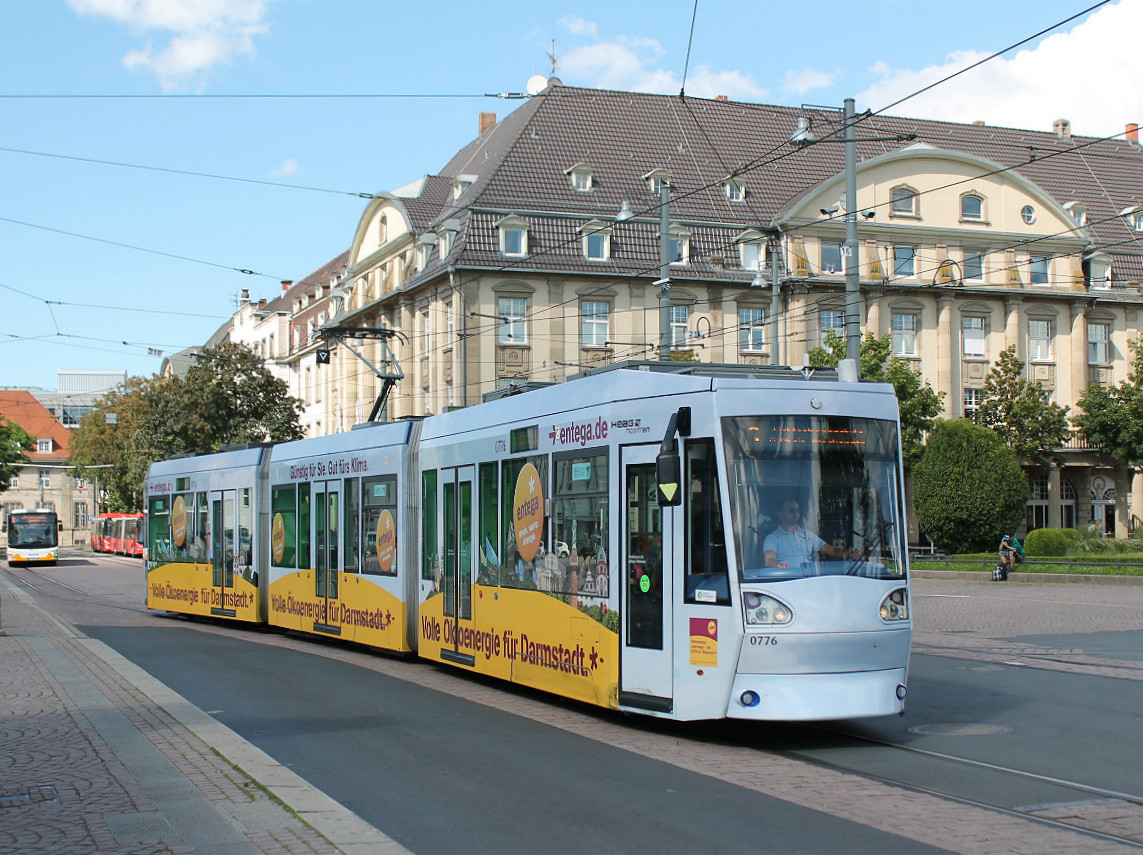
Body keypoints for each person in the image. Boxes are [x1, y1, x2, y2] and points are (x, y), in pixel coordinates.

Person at [763, 498, 858, 569]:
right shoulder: (772, 538)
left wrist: (847, 553)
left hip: (809, 581)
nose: (795, 513)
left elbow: (831, 551)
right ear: (780, 514)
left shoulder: (807, 535)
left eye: (797, 510)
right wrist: (784, 567)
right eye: (791, 511)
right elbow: (769, 561)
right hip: (787, 581)